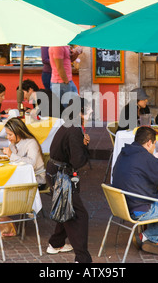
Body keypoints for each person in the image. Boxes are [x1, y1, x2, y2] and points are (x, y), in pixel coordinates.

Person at [112, 126, 158, 256]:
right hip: (139, 208)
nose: (154, 148)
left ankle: (153, 241)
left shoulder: (124, 152)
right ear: (149, 143)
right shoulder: (144, 157)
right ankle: (147, 237)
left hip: (122, 205)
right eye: (154, 145)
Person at [45, 97, 92, 263]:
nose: (90, 112)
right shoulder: (73, 129)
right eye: (88, 110)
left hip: (56, 172)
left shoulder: (70, 124)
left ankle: (55, 243)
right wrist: (84, 146)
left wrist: (82, 143)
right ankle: (82, 257)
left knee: (65, 209)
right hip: (60, 175)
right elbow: (78, 161)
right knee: (78, 215)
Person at [1, 117, 45, 188]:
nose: (8, 137)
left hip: (36, 179)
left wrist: (11, 155)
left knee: (5, 185)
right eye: (7, 134)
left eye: (10, 134)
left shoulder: (31, 143)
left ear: (18, 133)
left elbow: (32, 164)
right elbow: (11, 158)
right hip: (22, 177)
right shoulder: (13, 143)